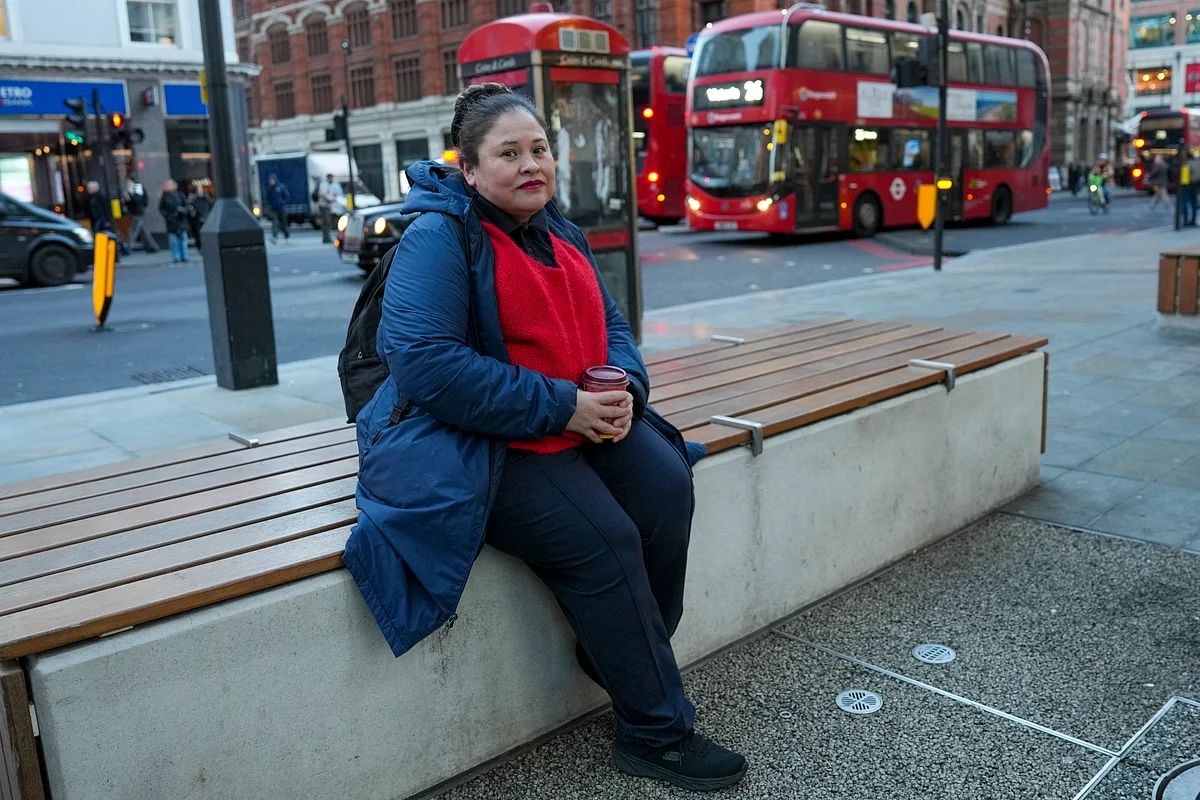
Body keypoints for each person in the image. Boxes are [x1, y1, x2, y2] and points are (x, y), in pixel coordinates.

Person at [343, 83, 748, 793]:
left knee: (666, 488)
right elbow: (426, 362)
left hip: (574, 417)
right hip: (477, 439)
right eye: (508, 153)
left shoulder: (560, 229)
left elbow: (612, 326)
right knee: (604, 541)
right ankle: (655, 734)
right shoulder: (439, 237)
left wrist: (625, 388)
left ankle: (614, 653)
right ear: (470, 170)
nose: (531, 164)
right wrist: (562, 407)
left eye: (539, 149)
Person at [85, 181, 128, 260]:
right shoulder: (91, 198)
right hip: (97, 220)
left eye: (90, 187)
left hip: (101, 220)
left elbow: (106, 209)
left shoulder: (100, 196)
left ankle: (116, 252)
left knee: (104, 236)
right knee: (104, 236)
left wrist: (107, 221)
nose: (88, 189)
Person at [158, 179, 191, 263]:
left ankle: (184, 255)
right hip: (171, 221)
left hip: (180, 220)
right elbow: (161, 209)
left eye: (169, 185)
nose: (167, 187)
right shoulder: (164, 197)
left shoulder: (180, 195)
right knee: (174, 241)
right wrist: (167, 215)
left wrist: (183, 210)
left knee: (183, 239)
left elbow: (186, 205)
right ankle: (176, 257)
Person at [122, 178, 158, 253]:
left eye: (129, 182)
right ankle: (152, 247)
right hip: (133, 212)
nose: (128, 184)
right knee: (142, 230)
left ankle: (128, 247)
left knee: (133, 230)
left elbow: (137, 200)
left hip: (138, 212)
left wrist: (129, 196)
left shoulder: (137, 188)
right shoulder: (130, 190)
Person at [316, 172, 341, 243]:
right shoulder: (324, 184)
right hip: (324, 205)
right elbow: (323, 193)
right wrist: (331, 198)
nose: (332, 179)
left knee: (327, 222)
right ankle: (326, 238)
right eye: (332, 178)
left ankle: (327, 237)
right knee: (326, 222)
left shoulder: (327, 184)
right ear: (329, 178)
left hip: (326, 205)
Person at [265, 173, 290, 244]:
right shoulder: (269, 189)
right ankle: (274, 237)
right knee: (275, 223)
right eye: (270, 180)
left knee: (284, 224)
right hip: (274, 209)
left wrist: (282, 202)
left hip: (281, 208)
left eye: (272, 180)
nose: (271, 182)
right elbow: (268, 198)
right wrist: (269, 205)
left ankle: (287, 236)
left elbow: (286, 196)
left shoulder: (281, 187)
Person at [188, 185, 212, 252]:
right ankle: (200, 247)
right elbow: (190, 208)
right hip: (197, 220)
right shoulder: (193, 199)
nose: (199, 191)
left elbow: (210, 206)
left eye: (200, 189)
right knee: (198, 235)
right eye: (198, 190)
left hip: (206, 218)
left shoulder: (206, 198)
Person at [1185, 149, 1200, 226]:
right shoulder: (1198, 162)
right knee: (1194, 202)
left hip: (1190, 184)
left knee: (1185, 202)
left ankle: (1186, 220)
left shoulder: (1188, 163)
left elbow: (1186, 176)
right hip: (1197, 184)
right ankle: (1193, 220)